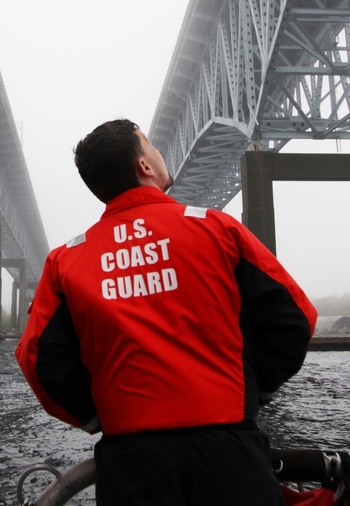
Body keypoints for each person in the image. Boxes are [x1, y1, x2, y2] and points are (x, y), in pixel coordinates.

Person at [16, 119, 317, 505]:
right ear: (144, 166)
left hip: (131, 464)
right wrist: (255, 392)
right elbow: (294, 319)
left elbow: (39, 359)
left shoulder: (65, 260)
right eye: (152, 146)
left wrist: (96, 417)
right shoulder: (217, 229)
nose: (160, 152)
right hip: (230, 453)